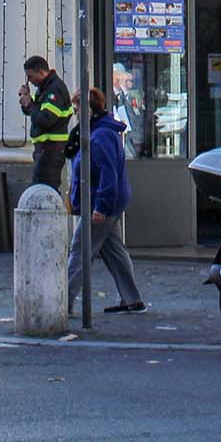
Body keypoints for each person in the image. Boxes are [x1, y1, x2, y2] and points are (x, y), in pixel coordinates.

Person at [69, 87, 147, 315]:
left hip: (100, 204)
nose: (75, 115)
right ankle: (132, 299)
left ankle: (62, 302)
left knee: (80, 251)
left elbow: (107, 174)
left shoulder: (100, 136)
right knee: (114, 252)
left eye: (77, 110)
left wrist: (101, 207)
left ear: (89, 111)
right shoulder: (101, 132)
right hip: (107, 202)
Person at [18, 56, 76, 190]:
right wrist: (26, 101)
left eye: (31, 76)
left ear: (42, 72)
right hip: (45, 150)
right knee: (41, 187)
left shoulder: (54, 90)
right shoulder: (45, 88)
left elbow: (45, 120)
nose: (30, 81)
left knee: (45, 189)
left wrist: (30, 104)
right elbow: (34, 112)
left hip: (51, 149)